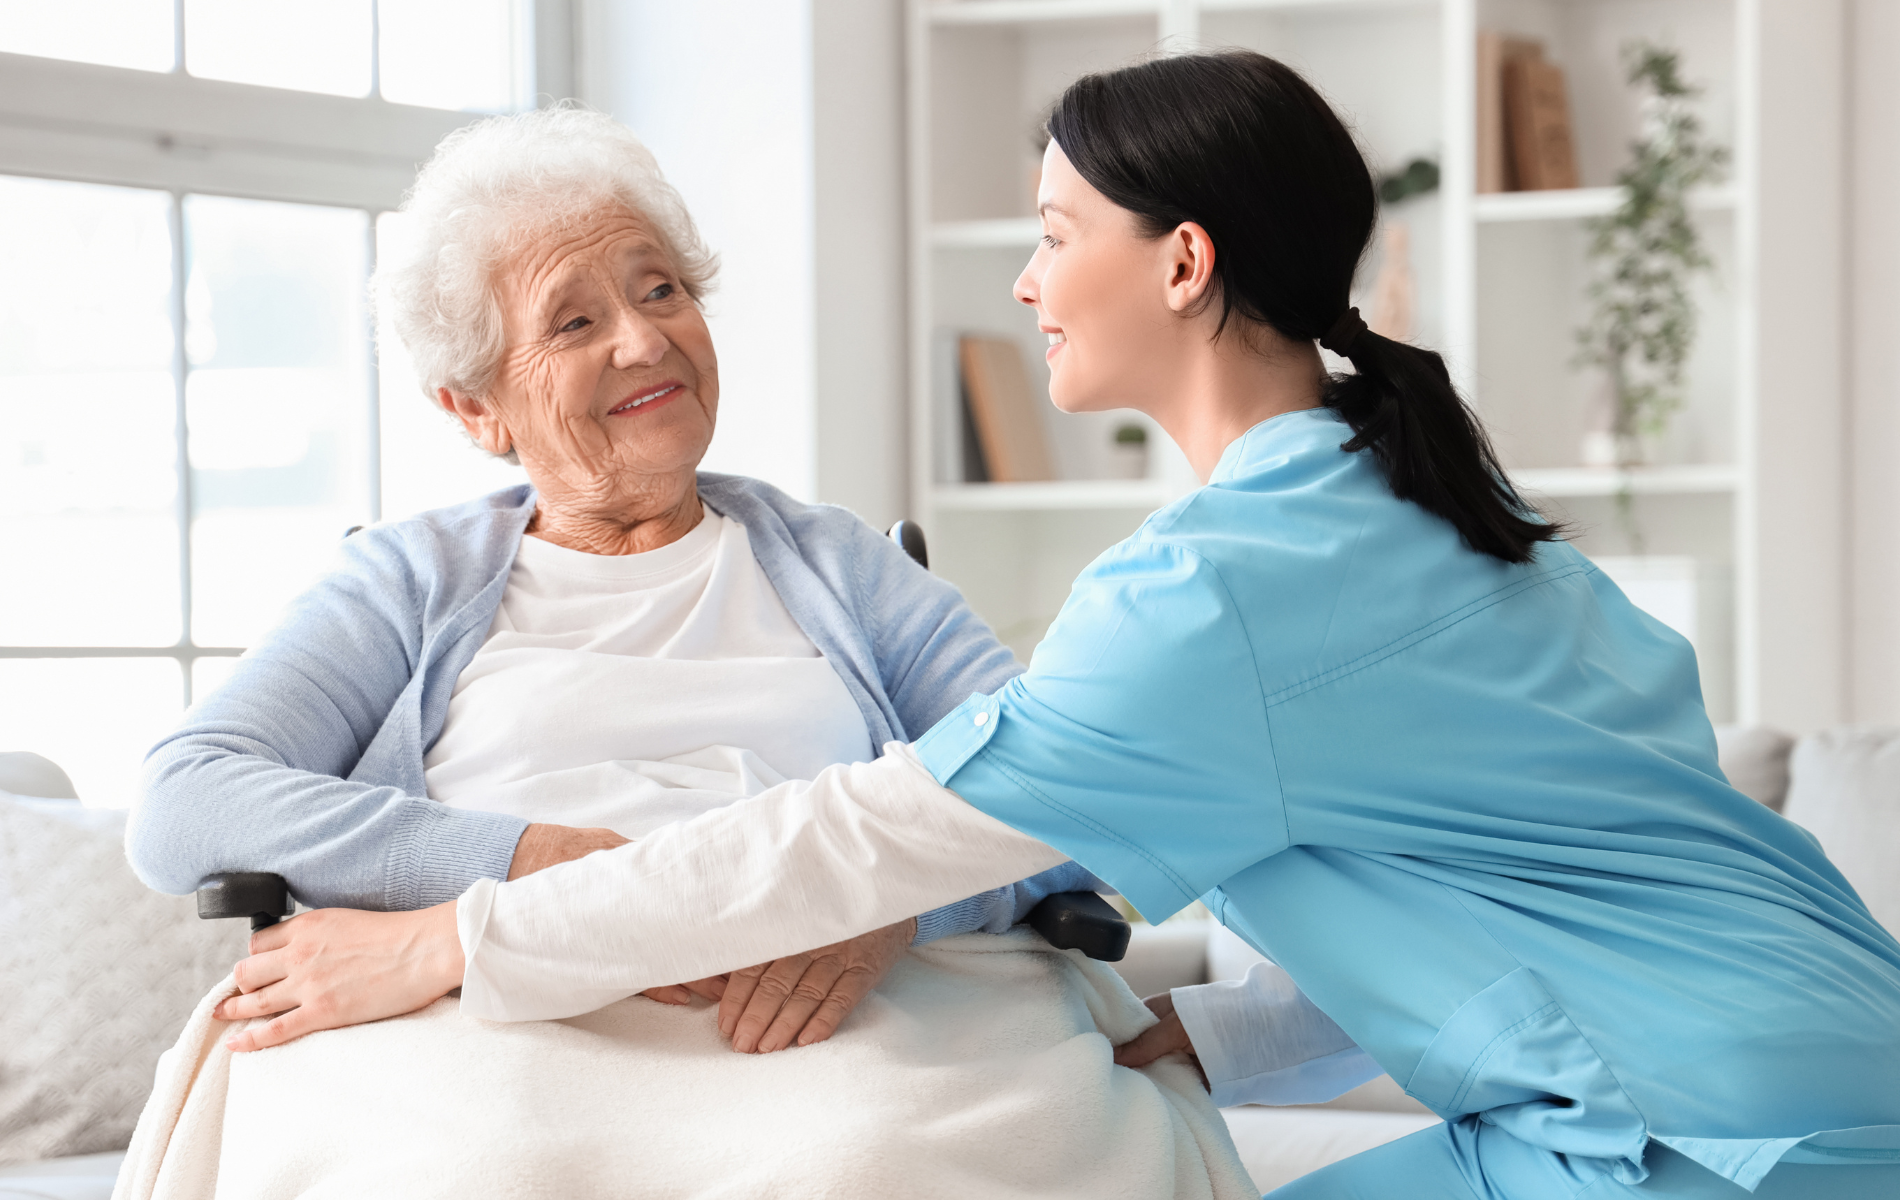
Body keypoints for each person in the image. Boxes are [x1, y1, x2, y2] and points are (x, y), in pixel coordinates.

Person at [215, 52, 1900, 1198]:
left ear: (1180, 264)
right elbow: (1514, 895)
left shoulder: (1218, 591)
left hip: (1700, 1142)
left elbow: (874, 833)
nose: (1023, 284)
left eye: (1050, 235)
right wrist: (1207, 1031)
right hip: (1823, 1075)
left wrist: (451, 940)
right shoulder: (1452, 520)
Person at [126, 104, 1104, 1053]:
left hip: (824, 1038)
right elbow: (186, 800)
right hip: (500, 1040)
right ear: (476, 409)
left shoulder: (843, 565)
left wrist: (889, 904)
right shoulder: (405, 580)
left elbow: (1073, 797)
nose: (643, 341)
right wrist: (527, 864)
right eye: (574, 321)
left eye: (660, 290)